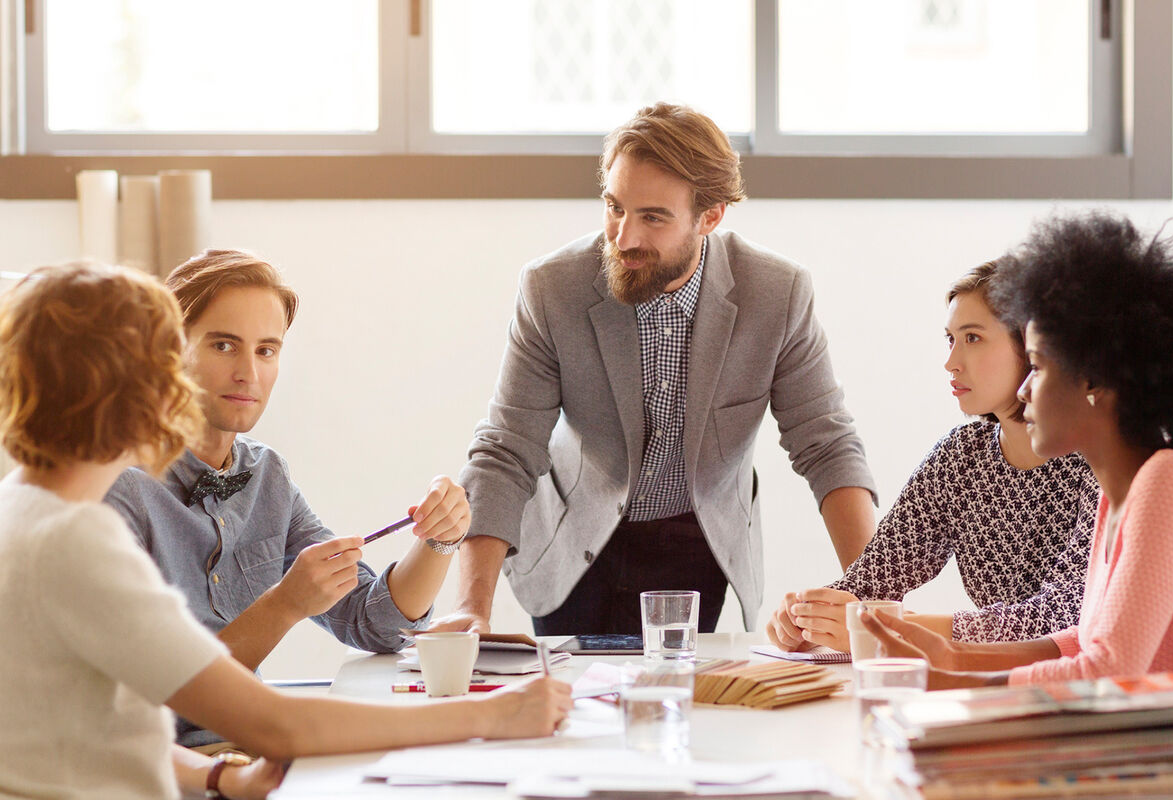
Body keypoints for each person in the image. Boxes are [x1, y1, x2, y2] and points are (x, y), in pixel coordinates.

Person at [0, 264, 570, 800]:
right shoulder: (81, 537)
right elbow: (270, 726)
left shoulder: (24, 506)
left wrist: (223, 778)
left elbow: (100, 724)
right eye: (172, 361)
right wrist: (493, 715)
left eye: (267, 349)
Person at [436, 102, 878, 637]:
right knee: (577, 713)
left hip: (699, 548)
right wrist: (469, 610)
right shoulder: (552, 289)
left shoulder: (777, 294)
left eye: (653, 217)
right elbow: (507, 450)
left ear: (709, 217)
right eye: (614, 207)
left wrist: (870, 601)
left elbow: (825, 444)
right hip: (573, 547)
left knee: (688, 710)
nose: (623, 238)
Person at [105, 250, 472, 748]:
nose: (248, 374)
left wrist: (439, 541)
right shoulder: (117, 490)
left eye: (266, 351)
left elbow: (373, 623)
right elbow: (143, 697)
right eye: (223, 345)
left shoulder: (266, 475)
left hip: (255, 747)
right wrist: (284, 605)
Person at [861, 212, 1173, 689]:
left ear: (1095, 382)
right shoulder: (1119, 490)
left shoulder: (1169, 479)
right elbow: (1084, 642)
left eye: (1036, 366)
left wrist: (956, 681)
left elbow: (1106, 672)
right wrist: (954, 656)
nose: (1024, 391)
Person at [767, 261, 1098, 652]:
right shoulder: (960, 458)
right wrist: (808, 615)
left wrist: (905, 628)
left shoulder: (1096, 459)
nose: (951, 362)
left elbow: (1068, 615)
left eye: (973, 338)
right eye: (951, 340)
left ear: (1032, 347)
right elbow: (870, 581)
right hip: (990, 684)